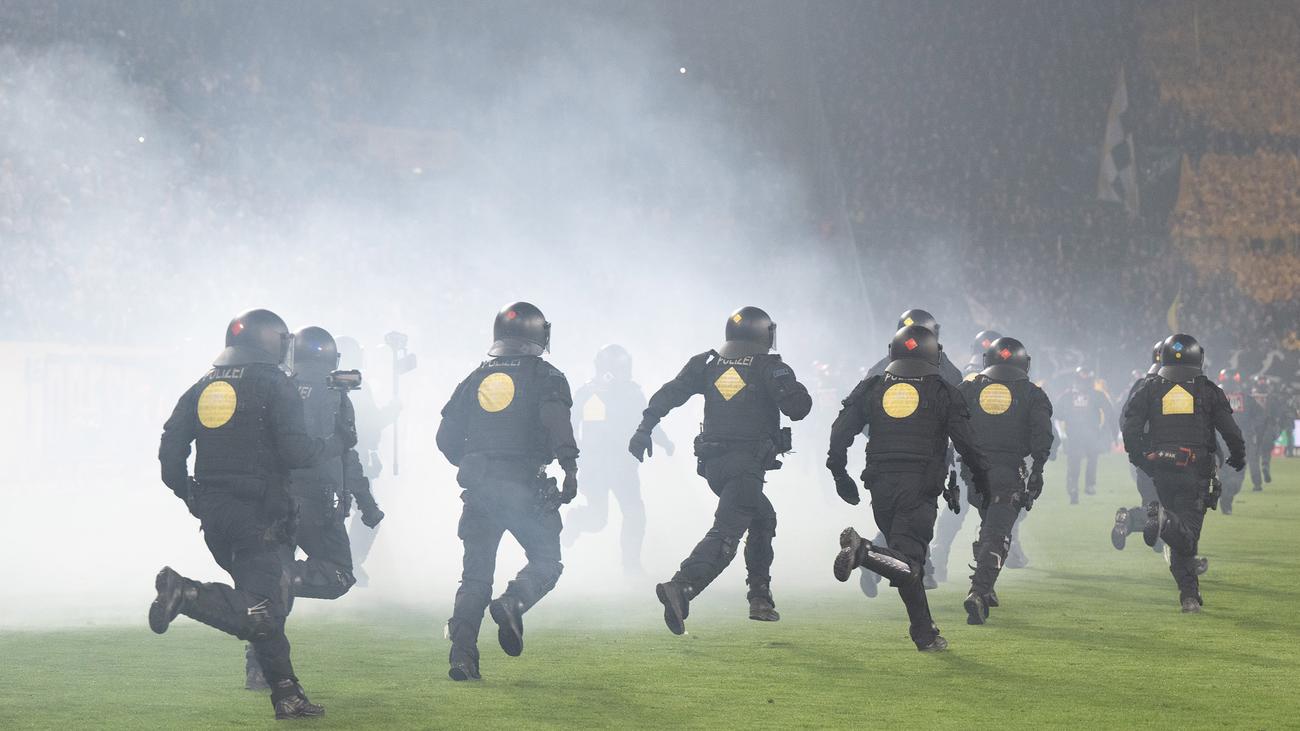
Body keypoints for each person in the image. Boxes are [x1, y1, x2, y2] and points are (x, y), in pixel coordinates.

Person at [151, 308, 354, 719]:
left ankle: (286, 693)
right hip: (260, 515)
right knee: (264, 609)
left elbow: (170, 450)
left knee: (266, 605)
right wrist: (337, 443)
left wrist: (191, 495)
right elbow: (297, 452)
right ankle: (186, 594)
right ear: (275, 343)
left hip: (216, 517)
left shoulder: (203, 385)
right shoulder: (275, 383)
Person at [629, 306, 811, 634]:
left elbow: (670, 393)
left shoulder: (708, 363)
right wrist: (786, 380)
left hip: (714, 466)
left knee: (763, 518)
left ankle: (760, 598)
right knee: (727, 533)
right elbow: (799, 409)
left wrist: (645, 427)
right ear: (765, 334)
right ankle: (682, 587)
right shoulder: (769, 366)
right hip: (746, 466)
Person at [435, 302, 579, 681]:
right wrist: (569, 466)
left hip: (479, 491)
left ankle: (462, 658)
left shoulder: (476, 377)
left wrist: (474, 463)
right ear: (541, 336)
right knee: (547, 559)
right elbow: (556, 421)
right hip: (525, 486)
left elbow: (445, 437)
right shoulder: (546, 376)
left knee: (475, 578)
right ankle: (513, 602)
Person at [828, 325, 991, 651]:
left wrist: (839, 474)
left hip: (879, 486)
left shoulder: (872, 386)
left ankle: (925, 634)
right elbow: (968, 445)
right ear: (935, 353)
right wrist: (982, 481)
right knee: (909, 562)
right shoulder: (943, 390)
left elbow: (840, 431)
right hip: (919, 487)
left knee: (905, 563)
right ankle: (865, 552)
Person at [244, 326, 385, 690]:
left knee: (275, 591)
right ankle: (279, 577)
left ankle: (259, 667)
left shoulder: (275, 387)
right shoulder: (335, 393)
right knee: (338, 576)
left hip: (272, 498)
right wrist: (367, 502)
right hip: (317, 501)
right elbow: (346, 452)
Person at [1122, 334, 1245, 613]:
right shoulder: (1207, 390)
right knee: (1187, 536)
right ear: (1198, 358)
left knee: (1179, 535)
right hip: (1196, 470)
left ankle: (1189, 596)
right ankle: (1160, 522)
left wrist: (1140, 458)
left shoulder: (1150, 388)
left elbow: (1129, 426)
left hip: (1162, 472)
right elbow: (1230, 430)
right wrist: (1238, 456)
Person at [859, 309, 961, 596]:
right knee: (915, 515)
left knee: (899, 516)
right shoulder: (947, 371)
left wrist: (884, 441)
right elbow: (958, 417)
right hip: (926, 460)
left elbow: (860, 417)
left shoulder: (879, 368)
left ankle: (894, 565)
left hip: (883, 459)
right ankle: (893, 564)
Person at [956, 337, 1053, 624]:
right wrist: (1037, 471)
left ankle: (988, 586)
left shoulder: (970, 387)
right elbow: (1043, 436)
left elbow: (950, 422)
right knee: (998, 534)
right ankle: (979, 590)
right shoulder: (1032, 393)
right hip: (1007, 472)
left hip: (972, 473)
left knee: (990, 527)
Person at [563, 344, 673, 576]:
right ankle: (575, 521)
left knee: (633, 515)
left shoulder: (629, 392)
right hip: (597, 467)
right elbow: (570, 426)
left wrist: (664, 442)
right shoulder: (590, 392)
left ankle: (631, 566)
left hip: (622, 466)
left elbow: (647, 421)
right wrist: (573, 454)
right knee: (599, 519)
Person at [336, 336, 400, 587]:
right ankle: (350, 563)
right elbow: (368, 425)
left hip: (330, 459)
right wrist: (391, 412)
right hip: (353, 460)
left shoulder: (324, 382)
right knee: (367, 514)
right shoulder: (354, 385)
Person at [1112, 341, 1165, 551]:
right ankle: (1143, 526)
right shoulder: (1183, 389)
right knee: (1176, 507)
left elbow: (1125, 420)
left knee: (1152, 504)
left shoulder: (1141, 385)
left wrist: (1137, 449)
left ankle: (1132, 522)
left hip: (1143, 457)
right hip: (1174, 455)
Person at [1056, 367, 1113, 503]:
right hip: (1091, 434)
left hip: (1075, 434)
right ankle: (1089, 485)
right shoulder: (1096, 395)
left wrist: (1067, 418)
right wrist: (1105, 429)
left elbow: (1057, 412)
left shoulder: (1068, 395)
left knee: (1074, 463)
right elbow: (1109, 411)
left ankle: (1073, 488)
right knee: (1092, 459)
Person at [1214, 369, 1254, 513]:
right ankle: (1226, 497)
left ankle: (1224, 496)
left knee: (1227, 474)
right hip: (1233, 442)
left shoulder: (1213, 397)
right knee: (1235, 474)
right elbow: (1259, 418)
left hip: (1224, 442)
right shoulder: (1246, 398)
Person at [1248, 375, 1286, 491]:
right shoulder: (1272, 397)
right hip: (1267, 426)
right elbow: (1279, 413)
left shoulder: (1249, 397)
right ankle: (1265, 465)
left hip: (1254, 428)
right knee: (1266, 449)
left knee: (1253, 456)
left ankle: (1257, 484)